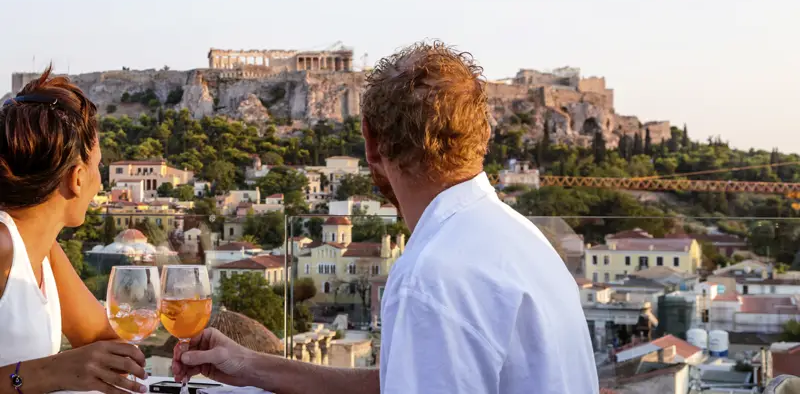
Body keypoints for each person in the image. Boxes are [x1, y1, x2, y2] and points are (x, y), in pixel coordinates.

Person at [174, 42, 599, 393]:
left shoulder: (433, 274)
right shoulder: (520, 237)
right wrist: (250, 366)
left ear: (371, 142)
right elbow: (398, 384)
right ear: (481, 136)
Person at [0, 68, 147, 394]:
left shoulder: (44, 252)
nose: (100, 181)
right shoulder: (2, 246)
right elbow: (60, 368)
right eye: (98, 165)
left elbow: (105, 342)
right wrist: (47, 373)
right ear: (77, 177)